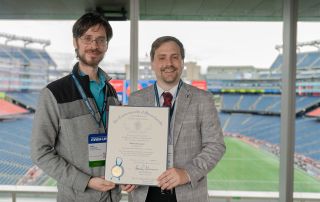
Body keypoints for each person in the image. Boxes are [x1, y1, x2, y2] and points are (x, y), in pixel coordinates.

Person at [31, 12, 122, 202]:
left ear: (106, 46)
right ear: (75, 42)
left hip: (113, 196)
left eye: (100, 40)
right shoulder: (54, 93)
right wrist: (86, 181)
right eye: (87, 38)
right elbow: (40, 151)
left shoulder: (111, 92)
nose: (94, 46)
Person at [122, 36, 226, 202]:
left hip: (187, 194)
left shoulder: (202, 99)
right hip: (144, 194)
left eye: (174, 57)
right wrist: (128, 173)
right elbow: (130, 144)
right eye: (162, 58)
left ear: (182, 62)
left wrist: (187, 173)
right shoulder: (137, 99)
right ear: (152, 63)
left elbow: (216, 145)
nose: (168, 63)